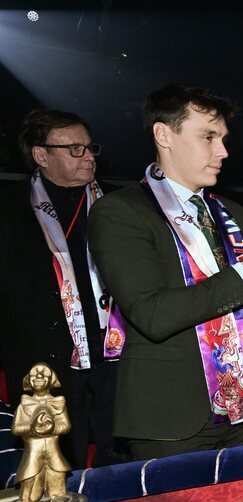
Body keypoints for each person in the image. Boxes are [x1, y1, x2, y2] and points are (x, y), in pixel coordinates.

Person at [89, 84, 243, 459]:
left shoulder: (231, 215)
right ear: (163, 134)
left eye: (222, 138)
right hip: (171, 418)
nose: (223, 151)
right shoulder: (121, 213)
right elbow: (152, 315)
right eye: (208, 137)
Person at [0, 109, 123, 468]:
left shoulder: (119, 204)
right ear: (41, 155)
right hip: (44, 361)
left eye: (89, 148)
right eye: (75, 149)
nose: (88, 157)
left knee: (121, 459)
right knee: (52, 468)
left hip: (117, 356)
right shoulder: (8, 209)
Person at [12, 364, 72, 502]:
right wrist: (32, 428)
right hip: (33, 450)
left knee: (57, 471)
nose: (39, 376)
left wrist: (52, 429)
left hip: (53, 448)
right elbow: (15, 429)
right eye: (34, 374)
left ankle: (57, 494)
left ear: (52, 379)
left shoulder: (58, 403)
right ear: (28, 380)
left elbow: (66, 426)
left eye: (44, 374)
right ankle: (29, 497)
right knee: (31, 475)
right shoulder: (23, 405)